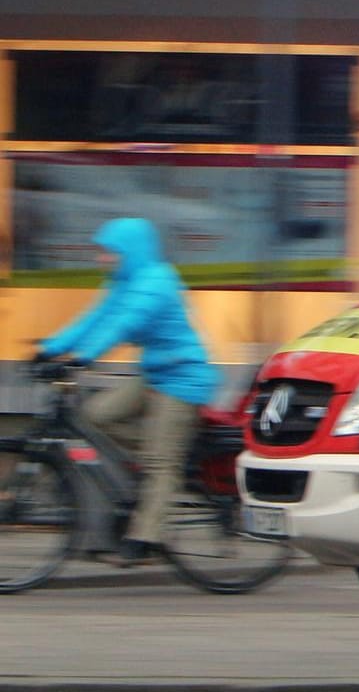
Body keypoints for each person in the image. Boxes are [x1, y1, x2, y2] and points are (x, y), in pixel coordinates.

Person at [33, 218, 221, 566]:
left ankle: (145, 535)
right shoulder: (125, 281)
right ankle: (159, 454)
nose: (101, 259)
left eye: (108, 252)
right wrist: (50, 349)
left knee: (161, 464)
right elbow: (95, 318)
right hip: (155, 373)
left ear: (130, 251)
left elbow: (123, 325)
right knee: (95, 415)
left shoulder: (156, 283)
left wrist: (80, 360)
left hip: (184, 378)